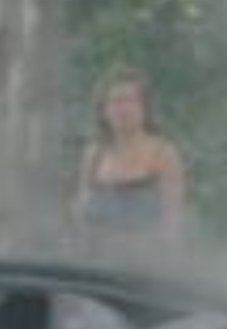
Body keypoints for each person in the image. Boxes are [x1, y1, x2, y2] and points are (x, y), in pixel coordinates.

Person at [71, 68, 187, 262]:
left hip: (145, 266)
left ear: (145, 108)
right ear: (103, 111)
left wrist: (166, 261)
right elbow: (81, 213)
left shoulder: (163, 154)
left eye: (130, 100)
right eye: (115, 101)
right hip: (95, 262)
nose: (123, 109)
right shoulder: (93, 155)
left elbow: (172, 223)